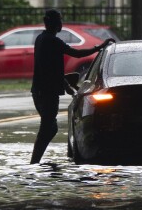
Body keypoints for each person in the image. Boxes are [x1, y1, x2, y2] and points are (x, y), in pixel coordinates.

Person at [30, 9, 111, 163]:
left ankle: (35, 161)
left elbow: (49, 68)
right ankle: (34, 163)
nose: (61, 23)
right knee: (48, 128)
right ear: (54, 23)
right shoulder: (52, 41)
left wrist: (65, 83)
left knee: (50, 127)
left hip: (39, 91)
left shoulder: (41, 39)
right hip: (47, 93)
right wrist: (99, 47)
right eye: (60, 20)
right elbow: (76, 53)